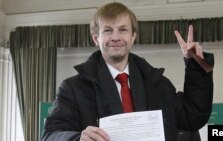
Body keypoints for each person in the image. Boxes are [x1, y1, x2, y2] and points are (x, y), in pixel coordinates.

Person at [41, 2, 214, 141]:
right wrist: (78, 139)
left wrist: (196, 66)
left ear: (133, 36)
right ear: (96, 38)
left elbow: (192, 116)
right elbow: (50, 136)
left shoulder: (156, 84)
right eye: (108, 30)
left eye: (123, 30)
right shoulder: (72, 89)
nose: (116, 37)